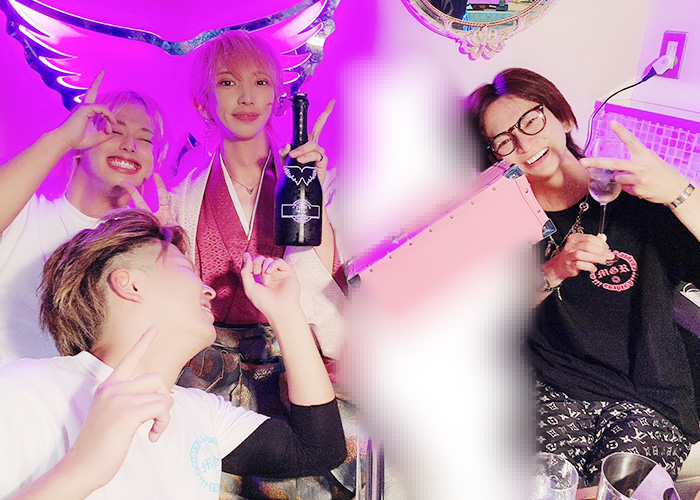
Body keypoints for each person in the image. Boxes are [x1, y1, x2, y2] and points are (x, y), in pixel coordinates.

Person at [0, 208, 345, 499]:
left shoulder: (199, 412)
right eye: (186, 271)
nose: (208, 290)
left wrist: (286, 312)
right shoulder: (26, 390)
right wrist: (83, 468)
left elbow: (318, 449)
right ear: (130, 284)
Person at [467, 68, 700, 486]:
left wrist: (680, 193)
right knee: (530, 488)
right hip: (551, 385)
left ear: (562, 117)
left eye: (531, 120)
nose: (524, 144)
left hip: (650, 397)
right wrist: (553, 270)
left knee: (616, 493)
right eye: (504, 140)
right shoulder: (503, 218)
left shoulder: (640, 197)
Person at [167, 31, 353, 498]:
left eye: (262, 81)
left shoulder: (319, 180)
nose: (247, 97)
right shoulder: (181, 192)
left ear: (277, 95)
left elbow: (327, 287)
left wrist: (314, 199)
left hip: (298, 359)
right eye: (228, 82)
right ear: (204, 102)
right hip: (210, 370)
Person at [0, 72, 170, 363]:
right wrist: (64, 138)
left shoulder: (143, 248)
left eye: (145, 139)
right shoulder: (28, 211)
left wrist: (164, 250)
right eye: (115, 131)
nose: (130, 145)